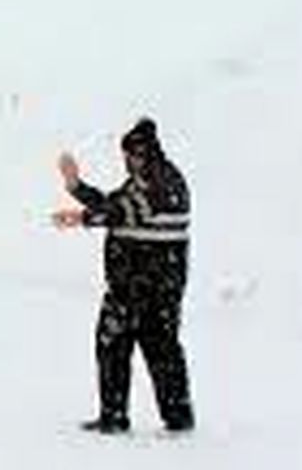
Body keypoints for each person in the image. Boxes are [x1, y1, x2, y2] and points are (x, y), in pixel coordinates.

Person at [52, 117, 195, 434]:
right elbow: (113, 203)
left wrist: (81, 217)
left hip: (137, 285)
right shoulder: (163, 178)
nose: (126, 162)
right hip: (161, 286)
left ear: (140, 152)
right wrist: (77, 187)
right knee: (162, 349)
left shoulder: (156, 183)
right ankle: (178, 417)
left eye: (128, 156)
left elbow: (120, 211)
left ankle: (114, 417)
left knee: (114, 344)